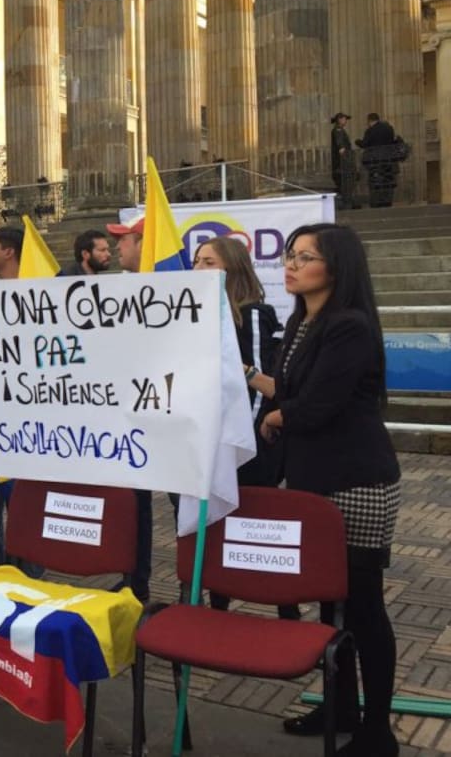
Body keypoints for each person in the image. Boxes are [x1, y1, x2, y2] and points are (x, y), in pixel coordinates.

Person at [259, 224, 401, 757]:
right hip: (315, 483)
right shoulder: (302, 322)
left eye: (304, 256)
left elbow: (317, 404)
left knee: (363, 608)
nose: (290, 264)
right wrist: (254, 381)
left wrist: (277, 416)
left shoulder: (350, 326)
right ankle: (340, 705)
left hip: (357, 483)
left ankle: (377, 731)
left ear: (335, 268)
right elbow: (292, 390)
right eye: (289, 254)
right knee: (330, 605)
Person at [191, 237, 300, 619]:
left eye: (208, 262)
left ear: (231, 269)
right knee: (217, 525)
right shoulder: (197, 313)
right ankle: (217, 604)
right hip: (209, 440)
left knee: (259, 524)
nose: (198, 269)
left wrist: (247, 437)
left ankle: (287, 608)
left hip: (248, 444)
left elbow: (262, 382)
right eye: (196, 262)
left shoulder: (252, 313)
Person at [106, 214, 151, 601]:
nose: (118, 247)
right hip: (126, 419)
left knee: (180, 508)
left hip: (161, 421)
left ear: (143, 244)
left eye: (125, 240)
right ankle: (134, 579)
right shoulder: (123, 289)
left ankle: (192, 588)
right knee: (133, 505)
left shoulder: (168, 291)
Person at [355, 113, 403, 209]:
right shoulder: (389, 129)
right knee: (388, 183)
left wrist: (357, 142)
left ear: (369, 121)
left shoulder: (370, 131)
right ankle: (387, 202)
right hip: (389, 161)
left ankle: (377, 204)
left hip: (375, 162)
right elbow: (392, 142)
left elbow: (365, 144)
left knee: (375, 183)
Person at [330, 112, 356, 209]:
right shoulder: (338, 130)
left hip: (342, 163)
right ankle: (346, 203)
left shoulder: (339, 130)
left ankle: (347, 202)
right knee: (344, 183)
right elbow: (341, 146)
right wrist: (347, 160)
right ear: (340, 119)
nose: (346, 121)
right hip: (342, 163)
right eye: (345, 119)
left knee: (346, 183)